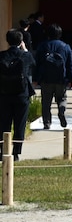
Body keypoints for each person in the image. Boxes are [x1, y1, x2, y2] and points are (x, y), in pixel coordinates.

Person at [0, 28, 36, 159]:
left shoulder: (2, 56)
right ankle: (16, 153)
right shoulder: (25, 55)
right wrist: (25, 49)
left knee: (4, 123)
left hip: (4, 94)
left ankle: (2, 151)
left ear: (7, 41)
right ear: (21, 41)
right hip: (21, 94)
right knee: (20, 124)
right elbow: (33, 63)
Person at [33, 23, 72, 130]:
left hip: (45, 78)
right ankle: (61, 109)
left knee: (46, 102)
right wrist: (71, 79)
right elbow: (70, 64)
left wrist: (35, 79)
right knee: (62, 98)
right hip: (61, 79)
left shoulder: (42, 46)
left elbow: (36, 63)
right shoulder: (66, 47)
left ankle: (47, 123)